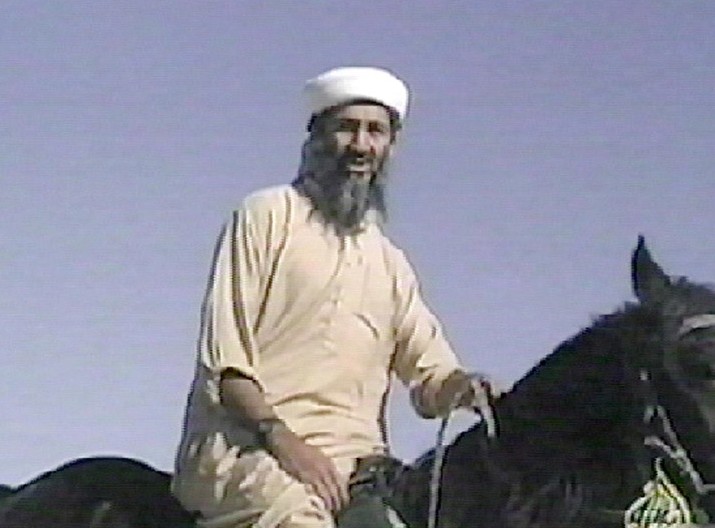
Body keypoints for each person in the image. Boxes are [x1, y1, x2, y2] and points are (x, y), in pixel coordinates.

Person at [171, 66, 496, 528]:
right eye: (347, 128)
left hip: (358, 469)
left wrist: (466, 388)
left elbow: (431, 377)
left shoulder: (390, 263)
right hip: (249, 451)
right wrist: (283, 440)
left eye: (375, 131)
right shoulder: (266, 216)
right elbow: (226, 365)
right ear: (316, 135)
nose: (361, 145)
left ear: (390, 146)